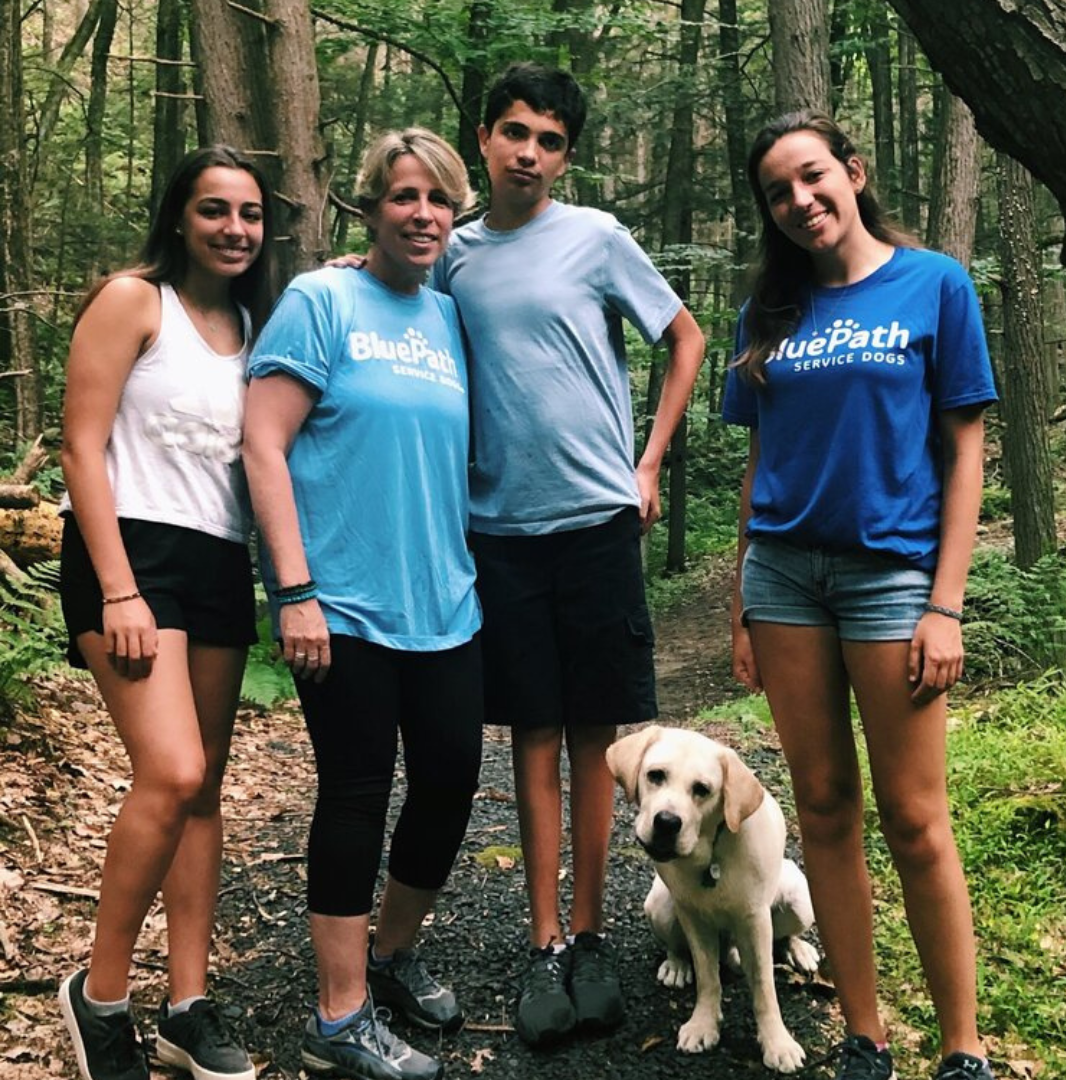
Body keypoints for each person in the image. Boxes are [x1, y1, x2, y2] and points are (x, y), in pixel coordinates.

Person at [430, 63, 704, 1046]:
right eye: (514, 133)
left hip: (596, 526)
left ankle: (591, 937)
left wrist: (650, 460)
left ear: (567, 155)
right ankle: (544, 946)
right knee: (531, 742)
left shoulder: (595, 238)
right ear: (483, 139)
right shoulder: (452, 257)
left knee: (596, 742)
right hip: (498, 533)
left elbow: (684, 334)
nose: (530, 154)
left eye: (549, 140)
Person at [723, 111, 997, 1080]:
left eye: (812, 178)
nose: (800, 202)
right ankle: (863, 1035)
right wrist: (740, 602)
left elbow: (965, 448)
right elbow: (761, 459)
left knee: (917, 820)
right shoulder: (770, 312)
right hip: (785, 579)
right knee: (827, 809)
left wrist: (945, 603)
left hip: (893, 578)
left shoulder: (935, 286)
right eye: (777, 193)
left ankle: (963, 1047)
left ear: (852, 170)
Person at [241, 128, 481, 1080]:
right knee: (355, 791)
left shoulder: (449, 317)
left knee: (452, 783)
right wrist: (292, 589)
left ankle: (388, 955)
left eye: (438, 200)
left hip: (446, 601)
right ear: (371, 207)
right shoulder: (321, 299)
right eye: (404, 198)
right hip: (340, 601)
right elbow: (264, 444)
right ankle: (338, 1019)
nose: (422, 215)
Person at [57, 145, 275, 1080]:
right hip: (130, 554)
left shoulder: (261, 324)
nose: (234, 229)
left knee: (206, 786)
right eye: (215, 210)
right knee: (173, 769)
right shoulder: (132, 300)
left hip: (220, 559)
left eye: (251, 215)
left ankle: (189, 1006)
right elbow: (79, 444)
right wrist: (117, 587)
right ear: (179, 218)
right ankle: (100, 996)